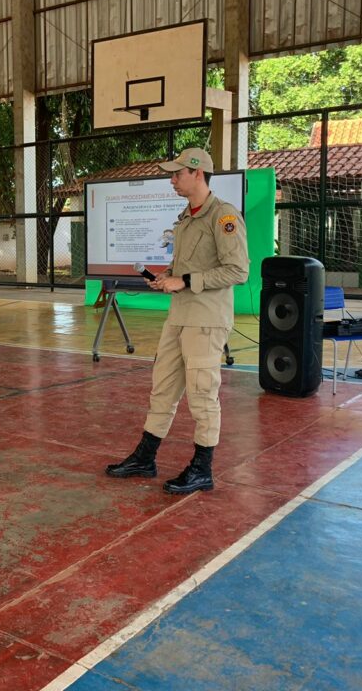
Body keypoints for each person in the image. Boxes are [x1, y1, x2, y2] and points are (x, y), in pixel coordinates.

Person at [106, 147, 249, 493]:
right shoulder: (186, 217)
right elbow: (189, 266)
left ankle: (202, 469)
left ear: (198, 173)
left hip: (205, 320)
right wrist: (167, 276)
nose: (172, 179)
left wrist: (185, 281)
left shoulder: (223, 216)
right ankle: (146, 457)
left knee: (201, 393)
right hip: (180, 316)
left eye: (177, 173)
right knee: (163, 387)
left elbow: (238, 270)